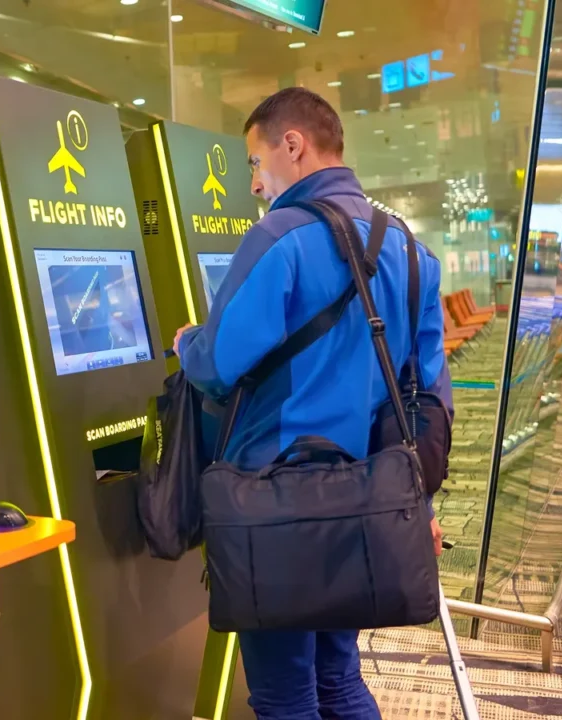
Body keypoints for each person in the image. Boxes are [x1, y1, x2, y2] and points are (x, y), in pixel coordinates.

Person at [172, 87, 452, 720]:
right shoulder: (412, 251)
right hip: (367, 500)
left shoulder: (281, 238)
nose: (254, 183)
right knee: (339, 679)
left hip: (278, 504)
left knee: (283, 694)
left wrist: (189, 342)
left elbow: (218, 367)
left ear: (292, 145)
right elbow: (429, 391)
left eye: (253, 162)